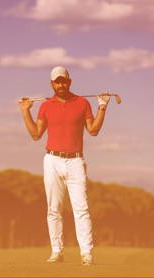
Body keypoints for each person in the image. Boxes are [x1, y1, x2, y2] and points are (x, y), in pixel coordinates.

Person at [19, 66, 110, 266]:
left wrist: (102, 107)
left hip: (75, 161)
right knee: (54, 209)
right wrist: (26, 112)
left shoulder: (82, 102)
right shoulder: (45, 106)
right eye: (56, 81)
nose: (60, 84)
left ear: (70, 81)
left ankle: (86, 254)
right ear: (51, 84)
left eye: (63, 81)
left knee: (81, 209)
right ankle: (56, 251)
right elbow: (36, 134)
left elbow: (93, 130)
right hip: (52, 160)